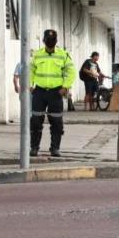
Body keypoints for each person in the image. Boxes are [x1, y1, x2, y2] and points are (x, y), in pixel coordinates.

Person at [30, 29, 75, 157]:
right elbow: (30, 71)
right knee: (36, 121)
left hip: (56, 93)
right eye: (48, 40)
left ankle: (54, 148)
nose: (50, 42)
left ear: (56, 41)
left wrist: (65, 87)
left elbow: (71, 72)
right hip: (39, 92)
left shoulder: (63, 55)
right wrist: (30, 86)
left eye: (53, 40)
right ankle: (34, 148)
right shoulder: (37, 55)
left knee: (56, 122)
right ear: (44, 40)